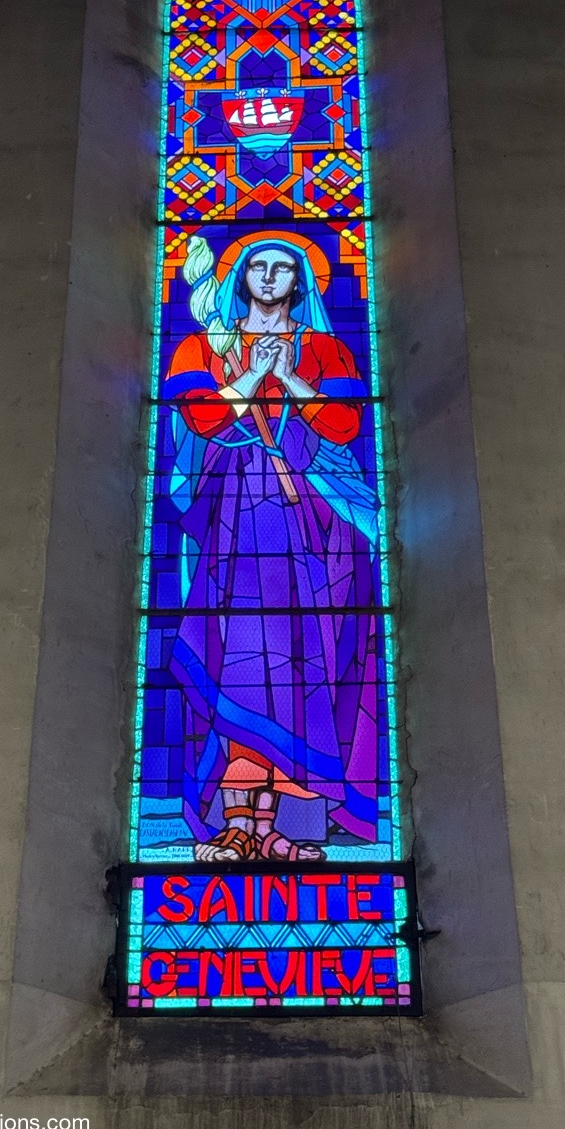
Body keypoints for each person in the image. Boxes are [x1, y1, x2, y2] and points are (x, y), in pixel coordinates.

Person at [162, 233, 382, 862]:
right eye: (256, 266)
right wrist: (254, 372)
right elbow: (202, 417)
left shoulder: (327, 349)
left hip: (316, 519)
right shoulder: (207, 345)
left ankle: (289, 824)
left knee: (307, 662)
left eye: (282, 268)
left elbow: (346, 423)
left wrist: (286, 375)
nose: (267, 276)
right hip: (236, 519)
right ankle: (236, 823)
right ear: (240, 278)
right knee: (240, 657)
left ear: (299, 282)